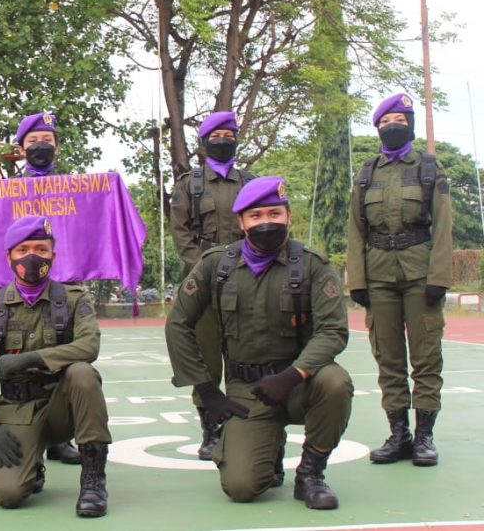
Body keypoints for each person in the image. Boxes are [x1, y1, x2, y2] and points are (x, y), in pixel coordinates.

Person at [165, 176, 353, 510]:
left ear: (288, 216)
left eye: (274, 214)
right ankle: (269, 449)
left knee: (336, 383)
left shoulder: (313, 265)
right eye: (256, 216)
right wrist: (207, 391)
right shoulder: (216, 265)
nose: (266, 222)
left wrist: (294, 375)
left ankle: (311, 472)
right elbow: (178, 323)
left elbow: (333, 332)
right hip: (246, 390)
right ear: (241, 222)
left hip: (300, 383)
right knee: (242, 487)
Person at [0, 216, 111, 517]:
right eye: (22, 249)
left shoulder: (74, 300)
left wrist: (33, 358)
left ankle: (93, 480)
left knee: (82, 373)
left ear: (53, 254)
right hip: (18, 410)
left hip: (63, 408)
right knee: (7, 493)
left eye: (41, 249)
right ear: (8, 257)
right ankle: (33, 461)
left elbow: (89, 346)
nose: (32, 256)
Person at [346, 93, 452, 467]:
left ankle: (424, 436)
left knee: (425, 358)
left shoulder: (428, 169)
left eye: (400, 120)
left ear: (410, 123)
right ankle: (399, 434)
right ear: (377, 128)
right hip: (378, 276)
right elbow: (356, 228)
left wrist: (439, 276)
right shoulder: (367, 172)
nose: (393, 126)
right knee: (388, 358)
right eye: (386, 121)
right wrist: (356, 279)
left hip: (420, 273)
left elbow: (442, 226)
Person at [169, 111, 254, 461]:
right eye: (215, 135)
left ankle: (242, 425)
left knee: (244, 353)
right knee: (205, 356)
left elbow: (260, 225)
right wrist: (204, 270)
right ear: (203, 144)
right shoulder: (189, 185)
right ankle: (210, 428)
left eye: (228, 134)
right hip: (202, 282)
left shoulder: (250, 182)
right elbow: (182, 234)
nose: (223, 140)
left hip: (245, 281)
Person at [10, 111, 81, 467]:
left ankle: (61, 437)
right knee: (23, 356)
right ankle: (29, 434)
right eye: (33, 141)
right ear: (21, 148)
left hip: (63, 285)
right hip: (23, 288)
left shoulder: (74, 186)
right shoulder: (4, 190)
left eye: (47, 141)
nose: (41, 146)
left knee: (66, 356)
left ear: (56, 146)